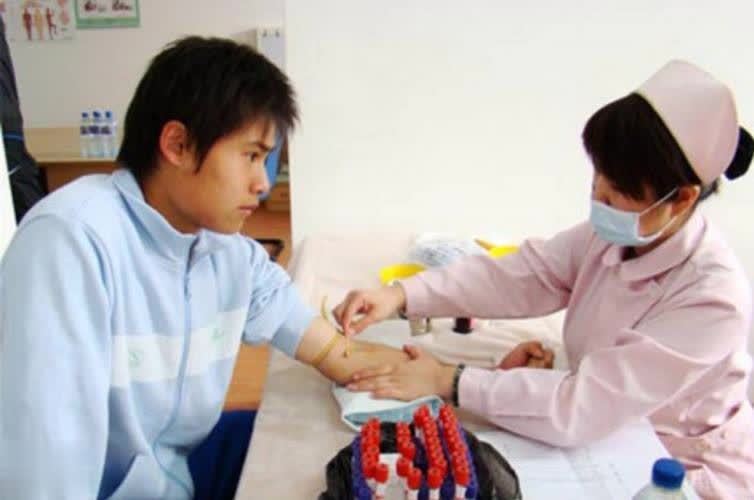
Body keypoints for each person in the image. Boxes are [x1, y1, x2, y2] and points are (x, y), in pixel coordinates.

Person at [0, 36, 409, 500]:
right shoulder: (71, 244)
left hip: (176, 476)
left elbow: (331, 350)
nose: (263, 183)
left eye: (267, 160)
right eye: (251, 156)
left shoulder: (226, 251)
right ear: (178, 144)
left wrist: (438, 374)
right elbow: (45, 476)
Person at [334, 60, 754, 499]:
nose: (598, 198)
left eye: (616, 192)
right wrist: (403, 294)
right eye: (597, 178)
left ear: (681, 199)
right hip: (604, 434)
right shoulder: (615, 236)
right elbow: (525, 275)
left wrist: (450, 380)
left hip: (677, 471)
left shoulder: (712, 298)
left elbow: (584, 405)